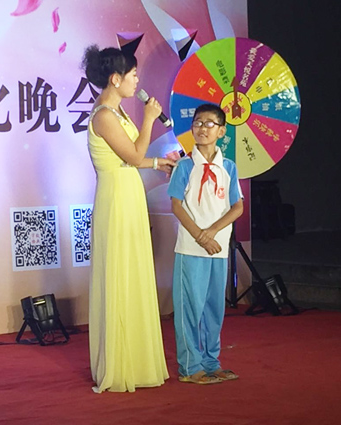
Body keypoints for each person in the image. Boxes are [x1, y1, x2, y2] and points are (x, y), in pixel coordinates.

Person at [81, 45, 174, 393]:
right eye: (133, 75)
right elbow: (133, 156)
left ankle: (136, 359)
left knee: (134, 272)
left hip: (128, 192)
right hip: (116, 199)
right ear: (115, 79)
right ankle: (120, 364)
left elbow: (129, 158)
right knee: (120, 273)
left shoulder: (117, 112)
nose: (137, 81)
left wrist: (159, 163)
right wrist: (149, 119)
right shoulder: (104, 115)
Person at [167, 104, 243, 385]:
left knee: (214, 308)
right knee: (190, 308)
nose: (201, 128)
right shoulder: (185, 166)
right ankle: (190, 366)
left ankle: (212, 362)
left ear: (221, 131)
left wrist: (211, 233)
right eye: (197, 123)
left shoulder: (228, 167)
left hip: (218, 248)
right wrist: (200, 236)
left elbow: (237, 207)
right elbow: (176, 205)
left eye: (209, 123)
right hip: (191, 248)